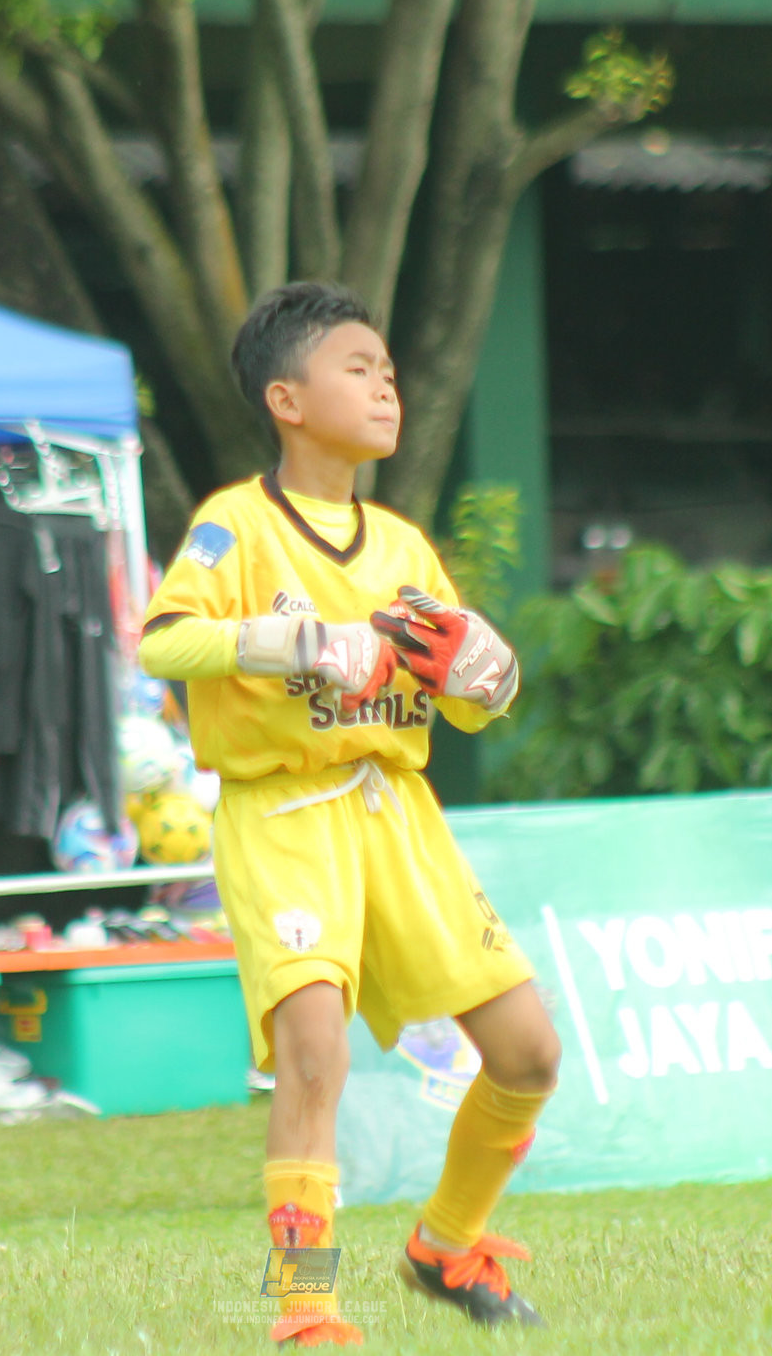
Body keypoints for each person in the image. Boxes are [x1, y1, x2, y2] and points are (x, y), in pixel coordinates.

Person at [139, 283, 560, 1347]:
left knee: (526, 1054)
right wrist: (283, 642)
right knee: (313, 1047)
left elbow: (459, 693)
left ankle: (443, 1243)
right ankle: (307, 1305)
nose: (385, 384)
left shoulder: (402, 544)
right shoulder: (235, 523)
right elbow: (162, 642)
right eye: (357, 366)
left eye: (387, 370)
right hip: (282, 810)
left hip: (395, 812)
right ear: (286, 397)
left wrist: (487, 672)